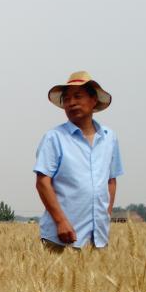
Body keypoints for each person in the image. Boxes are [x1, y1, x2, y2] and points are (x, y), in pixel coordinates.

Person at [34, 71, 123, 251]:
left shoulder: (109, 138)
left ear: (93, 100)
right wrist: (60, 221)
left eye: (77, 96)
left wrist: (105, 216)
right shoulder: (54, 138)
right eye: (66, 99)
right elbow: (43, 182)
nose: (71, 103)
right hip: (61, 236)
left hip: (98, 238)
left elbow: (111, 181)